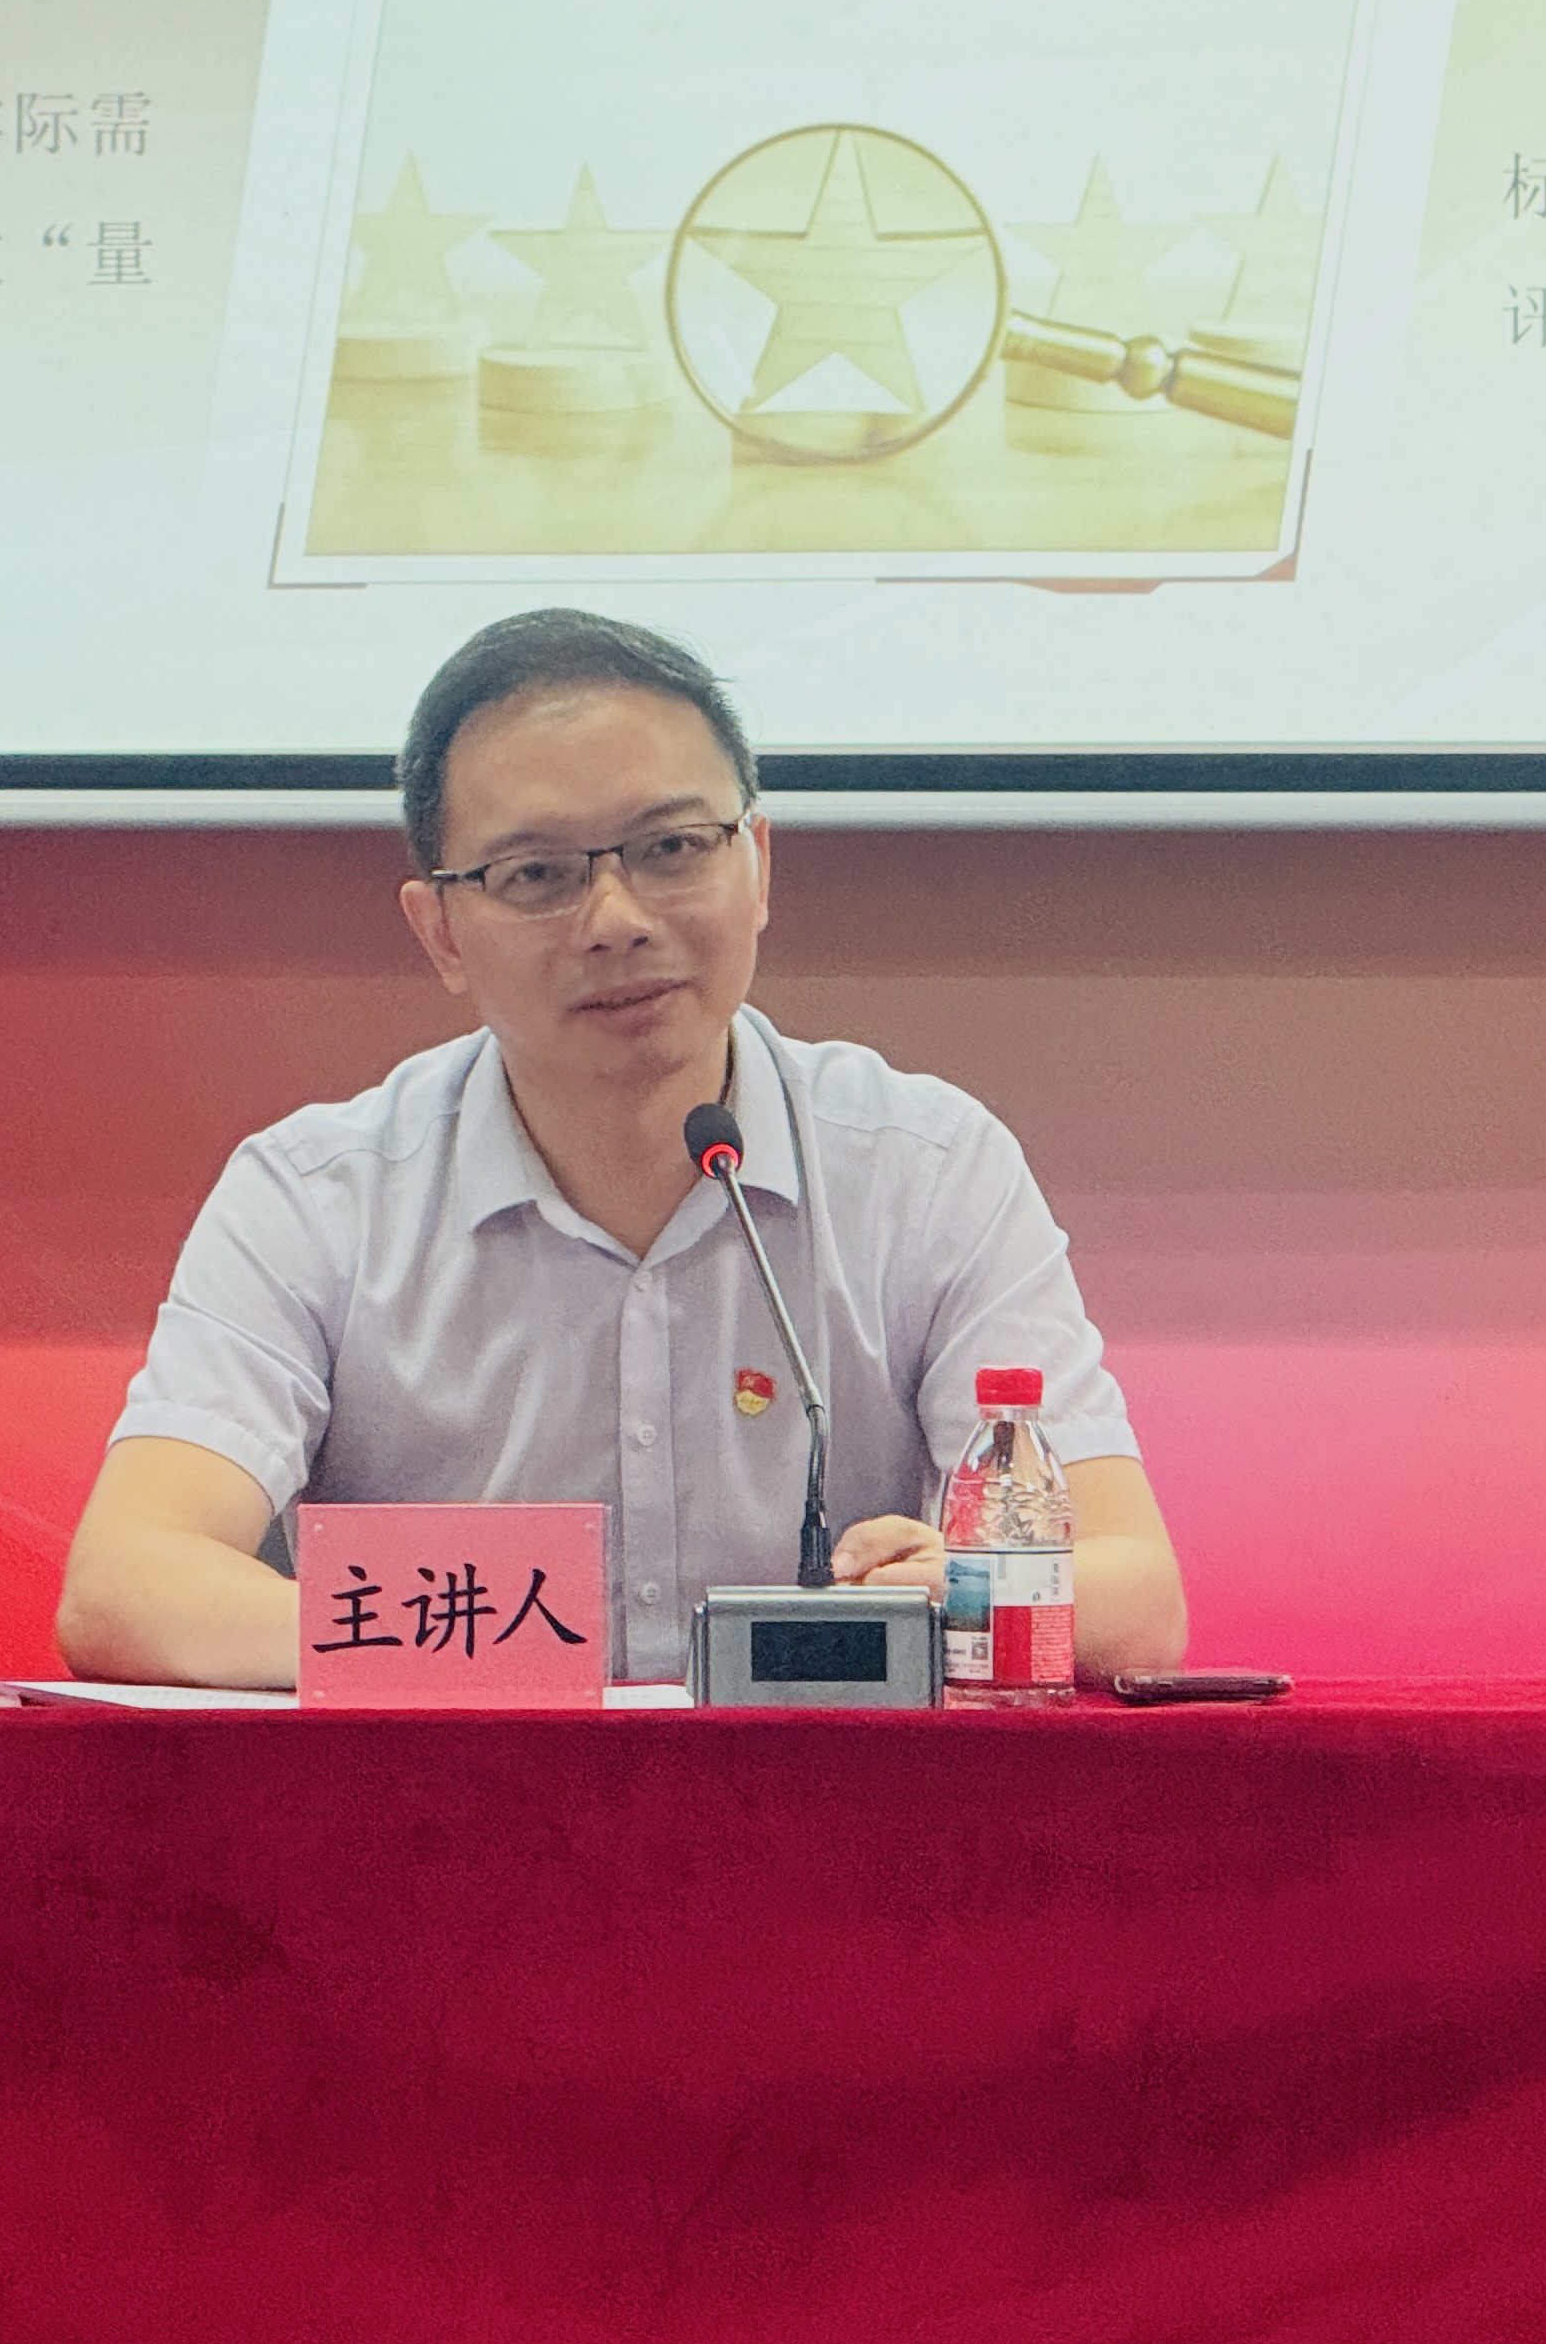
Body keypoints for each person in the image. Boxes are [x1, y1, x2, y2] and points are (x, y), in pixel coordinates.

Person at [58, 609, 1186, 1690]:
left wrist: (962, 1593)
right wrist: (492, 1645)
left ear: (758, 865)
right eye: (536, 875)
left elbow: (1134, 1593)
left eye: (672, 848)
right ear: (440, 930)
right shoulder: (317, 1200)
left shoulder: (925, 1169)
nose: (615, 920)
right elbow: (126, 1585)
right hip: (454, 1808)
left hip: (829, 1807)